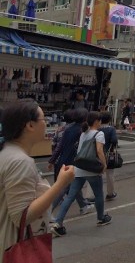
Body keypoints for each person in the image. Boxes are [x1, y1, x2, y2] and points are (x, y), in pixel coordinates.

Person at [0, 101, 75, 262]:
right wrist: (60, 184)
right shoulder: (19, 161)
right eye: (43, 119)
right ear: (30, 125)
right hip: (13, 248)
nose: (46, 123)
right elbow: (22, 216)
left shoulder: (7, 152)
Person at [51, 111, 112, 237]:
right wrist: (104, 165)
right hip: (92, 169)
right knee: (99, 194)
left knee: (70, 196)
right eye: (99, 120)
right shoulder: (99, 134)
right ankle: (101, 218)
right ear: (96, 121)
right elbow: (100, 151)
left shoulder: (84, 133)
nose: (100, 123)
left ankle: (58, 223)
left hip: (79, 169)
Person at [48, 108, 94, 215]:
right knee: (64, 188)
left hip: (63, 160)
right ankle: (48, 212)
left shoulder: (68, 129)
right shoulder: (83, 131)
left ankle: (83, 206)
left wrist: (52, 160)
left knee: (74, 185)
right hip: (74, 162)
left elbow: (59, 146)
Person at [99, 113, 118, 201]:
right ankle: (110, 193)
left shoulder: (97, 129)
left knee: (95, 174)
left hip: (97, 154)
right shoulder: (111, 129)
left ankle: (90, 195)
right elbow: (114, 140)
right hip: (108, 154)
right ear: (109, 120)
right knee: (110, 174)